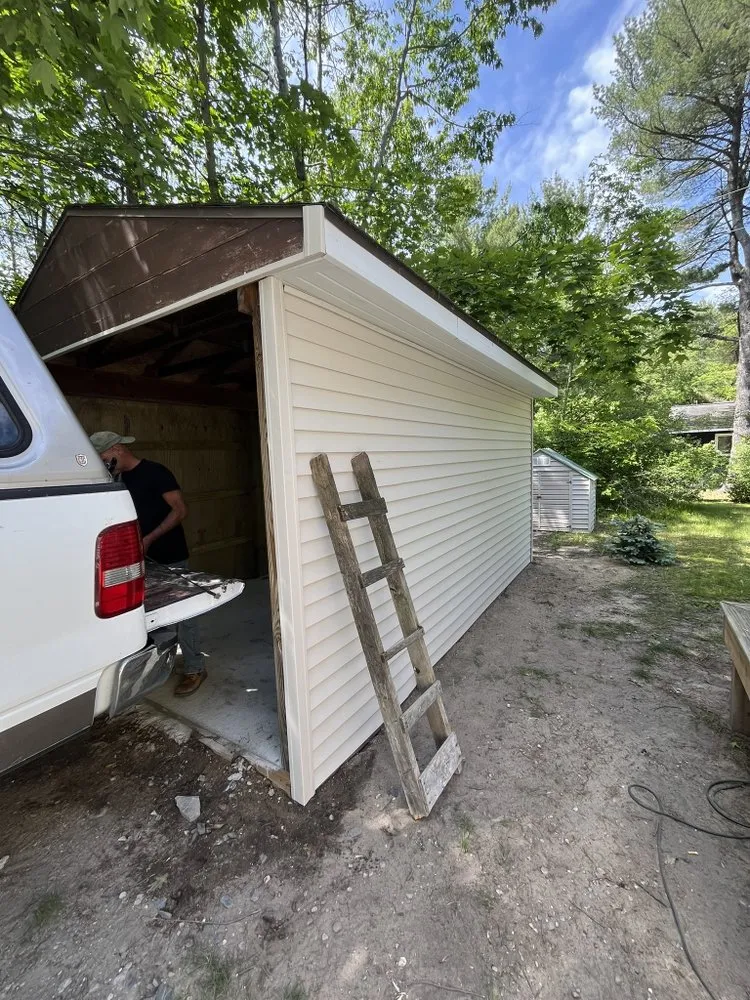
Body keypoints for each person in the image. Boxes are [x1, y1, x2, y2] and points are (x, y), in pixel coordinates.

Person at [89, 431, 207, 696]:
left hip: (170, 553)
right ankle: (153, 667)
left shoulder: (156, 472)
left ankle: (195, 667)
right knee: (147, 612)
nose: (104, 463)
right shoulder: (117, 479)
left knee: (185, 615)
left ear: (117, 449)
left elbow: (180, 510)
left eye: (104, 456)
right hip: (137, 558)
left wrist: (150, 539)